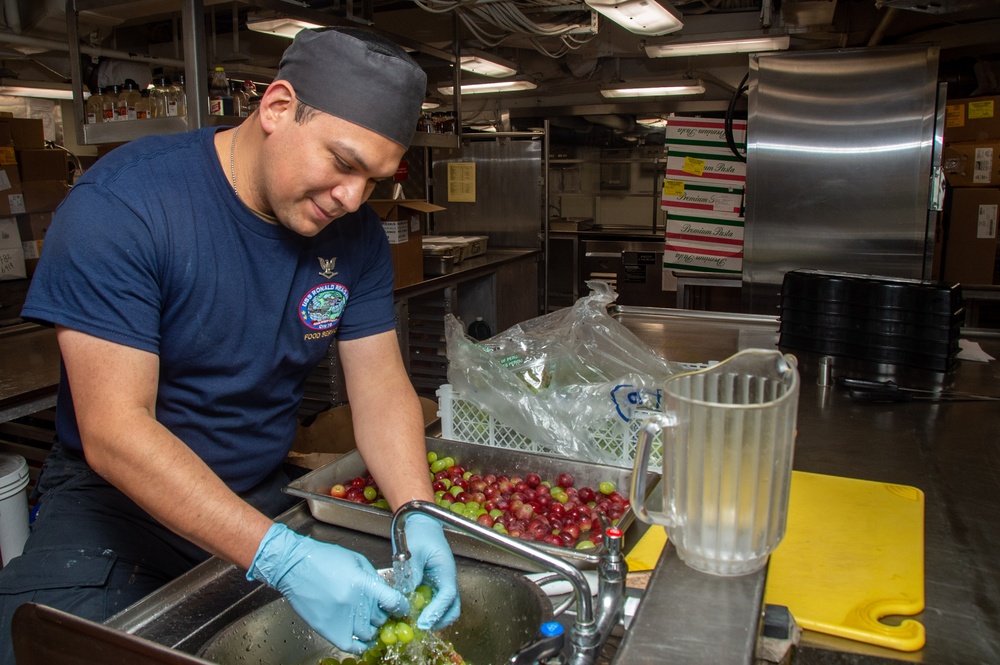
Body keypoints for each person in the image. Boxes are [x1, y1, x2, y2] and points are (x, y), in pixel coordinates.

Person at [0, 27, 459, 663]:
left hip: (258, 502)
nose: (354, 198)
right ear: (276, 107)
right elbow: (113, 429)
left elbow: (380, 390)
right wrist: (280, 557)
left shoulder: (355, 239)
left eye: (375, 180)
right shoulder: (124, 207)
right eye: (344, 163)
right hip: (114, 523)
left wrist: (419, 514)